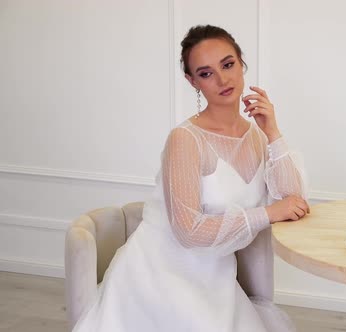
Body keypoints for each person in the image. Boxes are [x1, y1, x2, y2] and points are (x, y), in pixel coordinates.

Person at [72, 24, 309, 332]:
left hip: (217, 276)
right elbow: (188, 232)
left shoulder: (256, 136)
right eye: (206, 73)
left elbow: (293, 200)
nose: (223, 79)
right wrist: (268, 213)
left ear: (241, 63)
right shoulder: (185, 140)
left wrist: (273, 131)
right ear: (192, 81)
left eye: (228, 64)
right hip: (162, 276)